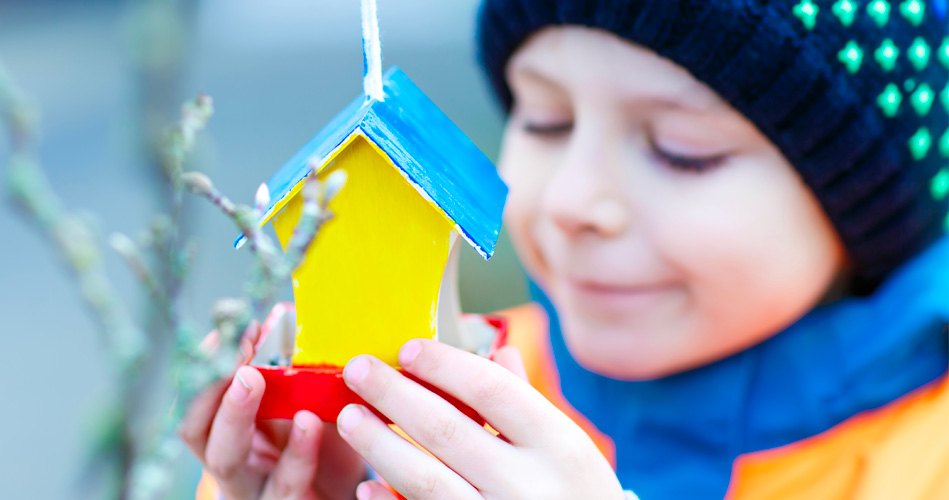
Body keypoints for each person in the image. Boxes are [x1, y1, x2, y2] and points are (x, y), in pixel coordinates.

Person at [185, 0, 949, 498]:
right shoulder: (454, 387)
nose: (573, 201)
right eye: (545, 119)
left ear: (859, 196)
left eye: (681, 150)